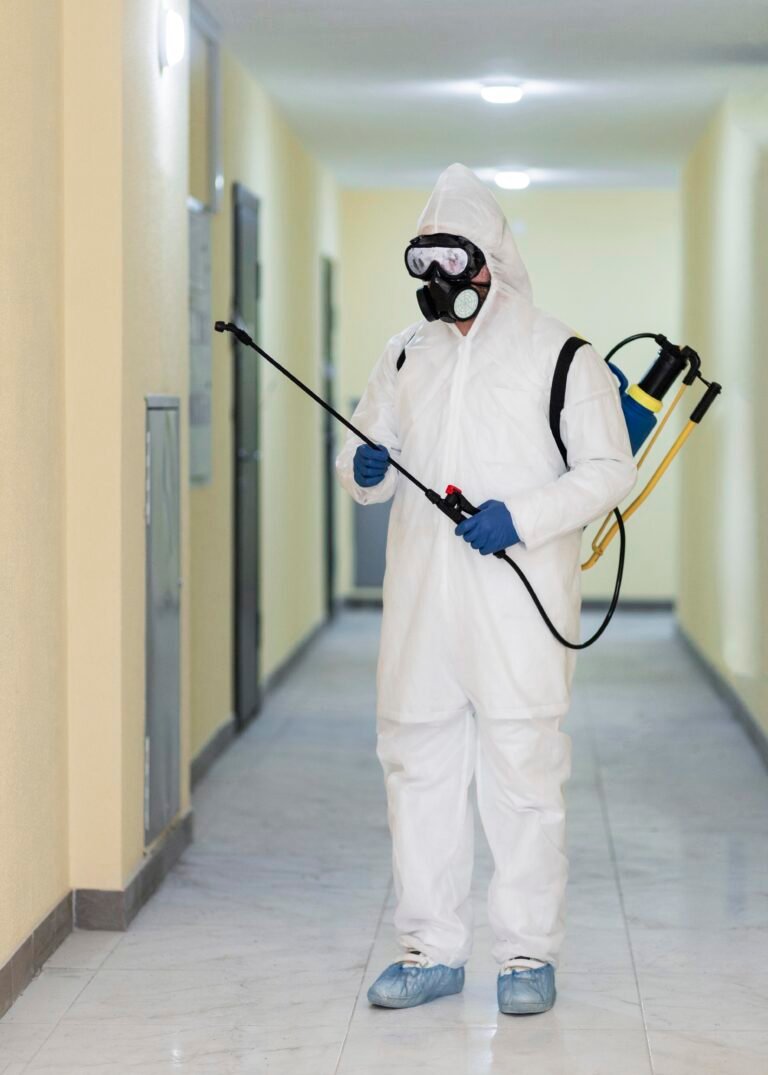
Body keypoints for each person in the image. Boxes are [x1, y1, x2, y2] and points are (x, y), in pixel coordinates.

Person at [336, 163, 636, 1015]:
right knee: (417, 764)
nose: (441, 287)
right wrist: (362, 469)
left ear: (491, 262)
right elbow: (370, 443)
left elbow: (610, 468)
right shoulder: (406, 352)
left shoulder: (562, 354)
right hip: (423, 603)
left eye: (454, 265)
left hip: (516, 601)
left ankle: (525, 954)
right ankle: (431, 947)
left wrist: (525, 515)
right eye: (426, 268)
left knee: (523, 773)